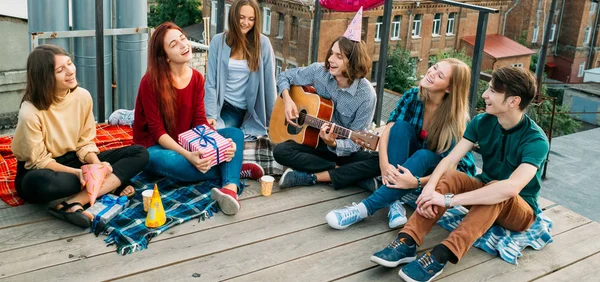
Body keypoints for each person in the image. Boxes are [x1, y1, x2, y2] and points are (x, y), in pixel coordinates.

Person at [370, 67, 548, 282]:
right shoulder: (483, 121)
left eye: (492, 91)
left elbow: (510, 188)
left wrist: (448, 200)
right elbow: (450, 160)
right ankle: (408, 240)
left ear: (513, 101)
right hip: (482, 190)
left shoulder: (536, 140)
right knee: (448, 176)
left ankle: (442, 254)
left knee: (499, 191)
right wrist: (429, 189)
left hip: (519, 210)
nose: (484, 95)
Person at [325, 58, 477, 230]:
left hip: (442, 176)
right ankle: (394, 200)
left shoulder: (455, 119)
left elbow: (450, 169)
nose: (431, 73)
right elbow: (388, 130)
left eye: (440, 75)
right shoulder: (413, 96)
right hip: (409, 167)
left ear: (449, 88)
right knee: (400, 128)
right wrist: (384, 165)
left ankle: (362, 209)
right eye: (434, 67)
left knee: (424, 155)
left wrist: (416, 183)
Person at [132, 22, 263, 216]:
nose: (183, 45)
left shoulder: (196, 78)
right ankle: (235, 168)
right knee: (179, 164)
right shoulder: (150, 82)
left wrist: (221, 144)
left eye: (183, 38)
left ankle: (230, 189)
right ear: (165, 57)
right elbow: (157, 132)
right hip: (155, 148)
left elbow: (200, 123)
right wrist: (189, 155)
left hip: (188, 140)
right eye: (174, 44)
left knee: (234, 134)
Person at [12, 44, 149, 228]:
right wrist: (81, 173)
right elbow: (40, 161)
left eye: (70, 63)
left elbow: (84, 143)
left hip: (77, 160)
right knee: (46, 184)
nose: (70, 71)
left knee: (140, 153)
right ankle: (111, 184)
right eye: (60, 70)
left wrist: (96, 164)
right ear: (45, 78)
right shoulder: (30, 111)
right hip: (42, 170)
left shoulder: (82, 96)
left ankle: (73, 202)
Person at [273, 29, 380, 190]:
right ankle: (349, 176)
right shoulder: (319, 72)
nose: (330, 59)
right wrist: (287, 99)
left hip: (342, 151)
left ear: (353, 61)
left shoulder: (366, 96)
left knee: (380, 161)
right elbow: (285, 76)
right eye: (331, 53)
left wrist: (335, 143)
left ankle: (312, 177)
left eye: (338, 56)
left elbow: (355, 144)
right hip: (314, 144)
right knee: (280, 151)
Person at [204, 0, 277, 139]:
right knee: (202, 134)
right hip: (218, 103)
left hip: (238, 109)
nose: (245, 23)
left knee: (219, 136)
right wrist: (211, 114)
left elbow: (270, 84)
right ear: (233, 17)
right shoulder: (217, 41)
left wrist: (272, 121)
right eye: (241, 17)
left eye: (251, 19)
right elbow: (211, 82)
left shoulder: (263, 44)